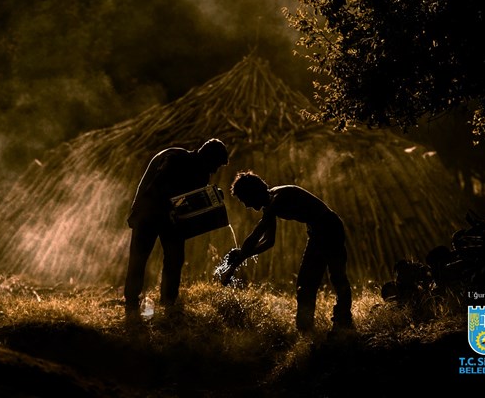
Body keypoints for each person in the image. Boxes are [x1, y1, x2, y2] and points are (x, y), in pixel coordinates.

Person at [224, 170, 353, 333]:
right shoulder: (270, 203)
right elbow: (268, 242)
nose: (247, 206)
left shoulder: (277, 198)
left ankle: (342, 321)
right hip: (317, 231)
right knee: (306, 285)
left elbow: (256, 235)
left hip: (330, 228)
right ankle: (306, 330)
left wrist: (234, 265)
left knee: (335, 276)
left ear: (253, 193)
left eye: (245, 200)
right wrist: (243, 254)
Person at [125, 138, 228, 317]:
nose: (215, 170)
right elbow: (154, 188)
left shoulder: (202, 173)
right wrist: (139, 213)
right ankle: (132, 302)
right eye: (215, 165)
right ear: (206, 157)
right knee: (138, 258)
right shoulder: (175, 159)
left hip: (171, 218)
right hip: (148, 213)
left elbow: (190, 202)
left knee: (175, 259)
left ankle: (169, 302)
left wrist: (212, 197)